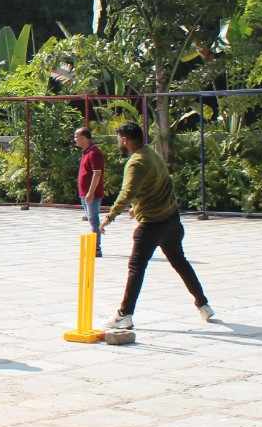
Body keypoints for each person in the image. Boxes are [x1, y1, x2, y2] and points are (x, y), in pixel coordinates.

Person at [102, 121, 214, 330]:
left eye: (119, 139)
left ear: (125, 140)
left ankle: (125, 315)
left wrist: (110, 217)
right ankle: (203, 305)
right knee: (180, 262)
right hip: (171, 220)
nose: (119, 142)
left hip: (152, 224)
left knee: (136, 267)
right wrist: (138, 207)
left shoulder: (136, 162)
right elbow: (161, 183)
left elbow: (127, 193)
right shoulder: (152, 154)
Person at [74, 126, 105, 258]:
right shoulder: (86, 152)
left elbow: (97, 174)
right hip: (85, 193)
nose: (75, 139)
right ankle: (95, 245)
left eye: (77, 137)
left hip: (91, 194)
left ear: (85, 138)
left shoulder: (94, 153)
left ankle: (96, 249)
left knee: (94, 220)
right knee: (92, 220)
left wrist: (91, 192)